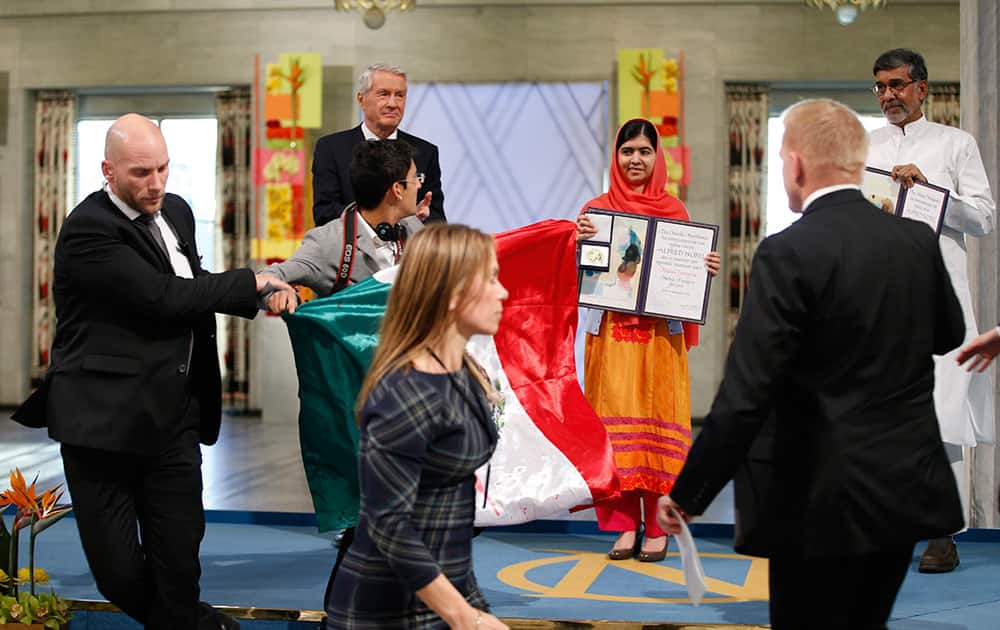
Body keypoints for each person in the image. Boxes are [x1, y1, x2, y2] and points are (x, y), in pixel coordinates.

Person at [657, 99, 965, 629]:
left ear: (796, 165)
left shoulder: (787, 252)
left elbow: (745, 395)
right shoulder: (915, 239)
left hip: (815, 497)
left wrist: (690, 493)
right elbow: (948, 335)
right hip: (899, 488)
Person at [13, 113, 296, 629]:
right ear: (108, 169)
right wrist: (251, 280)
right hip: (101, 425)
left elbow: (191, 280)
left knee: (179, 563)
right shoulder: (88, 230)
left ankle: (190, 620)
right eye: (142, 172)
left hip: (174, 417)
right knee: (118, 575)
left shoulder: (177, 212)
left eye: (163, 169)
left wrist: (260, 297)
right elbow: (161, 298)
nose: (157, 184)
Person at [324, 224, 509, 630]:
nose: (503, 293)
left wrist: (471, 607)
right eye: (491, 280)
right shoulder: (403, 395)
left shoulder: (463, 371)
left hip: (438, 598)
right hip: (384, 613)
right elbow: (389, 525)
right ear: (454, 294)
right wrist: (465, 616)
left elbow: (449, 518)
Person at [866, 48, 996, 573]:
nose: (889, 96)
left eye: (897, 85)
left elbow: (984, 219)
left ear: (923, 88)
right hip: (878, 299)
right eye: (880, 87)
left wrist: (933, 193)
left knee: (943, 416)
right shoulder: (865, 146)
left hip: (939, 299)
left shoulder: (955, 144)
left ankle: (943, 534)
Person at [575, 118, 720, 562]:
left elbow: (682, 276)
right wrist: (576, 245)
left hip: (660, 338)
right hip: (612, 338)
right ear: (615, 157)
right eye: (627, 151)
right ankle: (622, 526)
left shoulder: (675, 212)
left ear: (658, 159)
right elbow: (584, 275)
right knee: (615, 429)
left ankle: (655, 527)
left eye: (644, 151)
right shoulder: (596, 211)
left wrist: (702, 269)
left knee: (657, 424)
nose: (635, 159)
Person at [261, 138, 427, 314]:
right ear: (397, 190)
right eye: (415, 178)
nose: (419, 184)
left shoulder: (414, 229)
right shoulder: (328, 242)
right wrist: (278, 293)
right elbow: (265, 277)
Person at [312, 63, 445, 226]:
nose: (393, 103)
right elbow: (325, 213)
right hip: (351, 247)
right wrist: (386, 220)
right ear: (361, 99)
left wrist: (418, 220)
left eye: (400, 95)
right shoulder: (331, 148)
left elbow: (436, 221)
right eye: (383, 94)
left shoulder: (425, 152)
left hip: (408, 249)